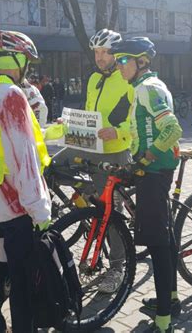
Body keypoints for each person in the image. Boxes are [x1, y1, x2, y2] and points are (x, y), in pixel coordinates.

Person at [0, 31, 52, 333]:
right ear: (18, 60)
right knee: (22, 279)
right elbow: (24, 160)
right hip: (16, 206)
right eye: (27, 61)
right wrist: (40, 211)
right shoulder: (12, 95)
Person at [52, 28, 134, 294]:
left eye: (105, 52)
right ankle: (88, 205)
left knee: (111, 212)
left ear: (116, 53)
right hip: (89, 146)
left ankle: (118, 267)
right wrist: (71, 122)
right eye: (97, 52)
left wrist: (118, 132)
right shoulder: (93, 79)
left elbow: (135, 121)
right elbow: (90, 113)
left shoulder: (127, 80)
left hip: (114, 151)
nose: (100, 57)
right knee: (51, 168)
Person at [110, 37, 182, 333]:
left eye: (122, 61)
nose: (118, 66)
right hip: (153, 170)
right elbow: (142, 126)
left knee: (157, 242)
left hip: (154, 171)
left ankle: (164, 317)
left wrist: (146, 159)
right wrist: (113, 132)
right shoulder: (145, 87)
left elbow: (172, 128)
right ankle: (173, 298)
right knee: (162, 235)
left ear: (140, 61)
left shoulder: (147, 89)